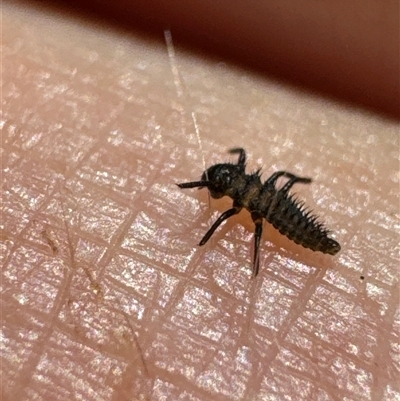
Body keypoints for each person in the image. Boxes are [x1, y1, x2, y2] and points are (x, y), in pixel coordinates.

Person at [2, 1, 398, 400]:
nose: (219, 194)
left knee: (261, 219)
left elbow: (229, 217)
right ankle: (310, 241)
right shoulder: (247, 183)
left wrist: (218, 242)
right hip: (282, 209)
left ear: (234, 182)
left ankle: (317, 244)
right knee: (271, 195)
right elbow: (247, 185)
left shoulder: (242, 202)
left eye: (218, 188)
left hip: (289, 221)